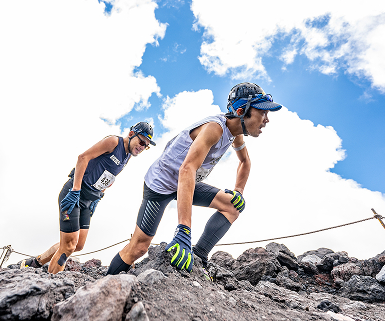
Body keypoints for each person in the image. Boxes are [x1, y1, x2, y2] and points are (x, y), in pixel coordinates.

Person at [106, 82, 282, 275]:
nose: (267, 120)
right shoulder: (215, 128)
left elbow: (245, 161)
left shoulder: (235, 133)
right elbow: (186, 169)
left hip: (186, 182)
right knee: (138, 248)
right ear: (241, 111)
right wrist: (183, 229)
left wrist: (238, 191)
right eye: (262, 112)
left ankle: (199, 257)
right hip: (161, 184)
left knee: (233, 205)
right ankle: (105, 283)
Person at [25, 122, 155, 274]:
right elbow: (83, 157)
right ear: (132, 134)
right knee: (69, 246)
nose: (142, 147)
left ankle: (35, 262)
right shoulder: (114, 142)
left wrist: (99, 197)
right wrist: (75, 190)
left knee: (78, 245)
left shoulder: (128, 156)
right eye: (141, 142)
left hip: (88, 201)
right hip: (74, 194)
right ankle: (50, 283)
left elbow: (109, 176)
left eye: (146, 146)